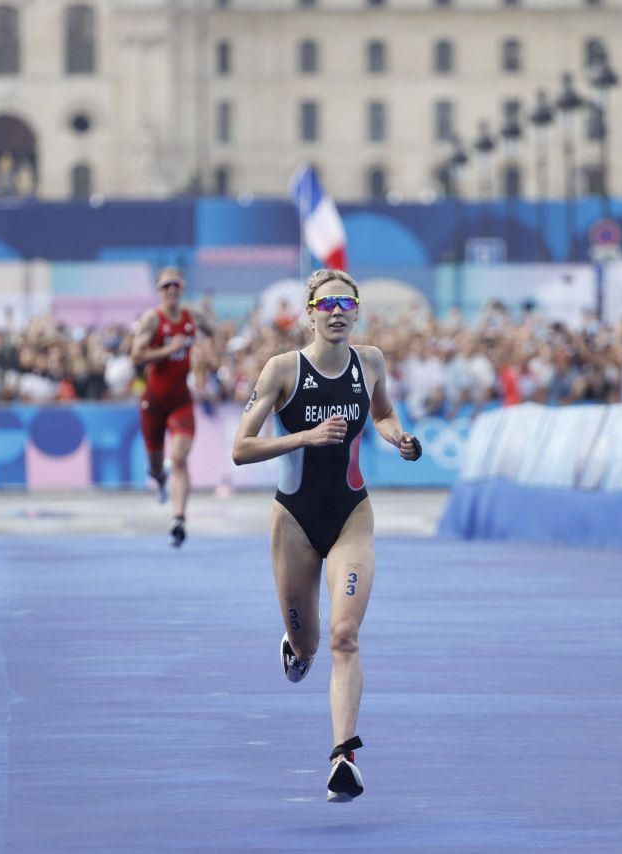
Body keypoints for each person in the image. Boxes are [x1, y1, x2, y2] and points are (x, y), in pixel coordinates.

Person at [231, 269, 422, 803]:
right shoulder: (283, 370)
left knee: (345, 635)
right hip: (293, 522)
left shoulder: (372, 362)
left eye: (346, 303)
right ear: (309, 312)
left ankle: (344, 757)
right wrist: (305, 437)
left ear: (356, 311)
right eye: (326, 303)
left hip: (351, 516)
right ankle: (294, 648)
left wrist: (399, 437)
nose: (337, 312)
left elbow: (382, 413)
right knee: (310, 642)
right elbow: (240, 449)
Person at [131, 267, 213, 547]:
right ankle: (159, 477)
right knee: (156, 466)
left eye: (176, 285)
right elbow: (136, 356)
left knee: (179, 456)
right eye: (166, 286)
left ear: (182, 287)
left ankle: (178, 520)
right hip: (153, 403)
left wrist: (209, 355)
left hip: (180, 400)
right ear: (158, 290)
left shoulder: (192, 317)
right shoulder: (153, 319)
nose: (171, 290)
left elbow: (215, 331)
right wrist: (169, 349)